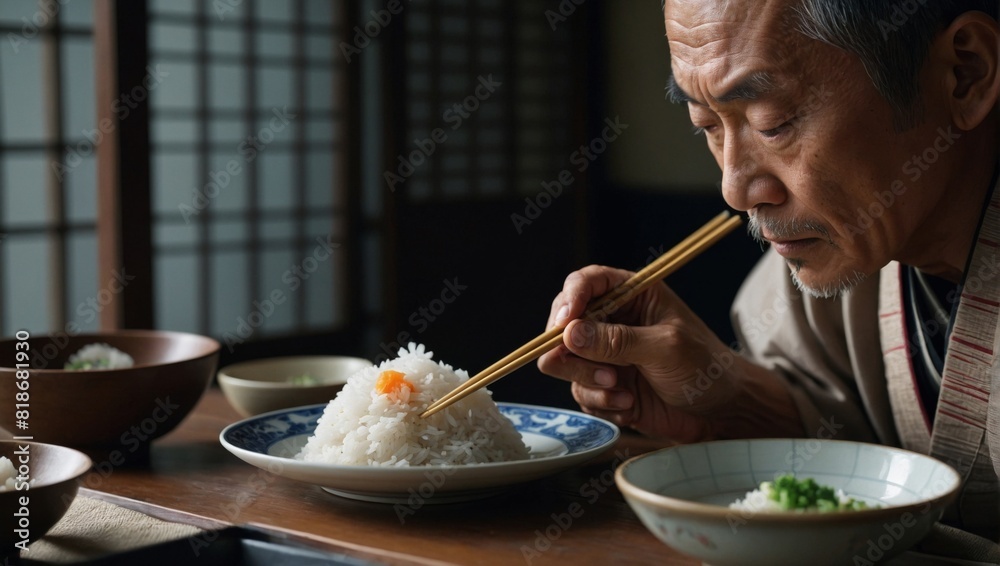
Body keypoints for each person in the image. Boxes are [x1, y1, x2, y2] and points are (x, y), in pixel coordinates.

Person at [538, 0, 1000, 549]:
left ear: (965, 74)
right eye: (706, 125)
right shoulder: (840, 240)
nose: (735, 189)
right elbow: (846, 461)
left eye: (772, 123)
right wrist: (723, 399)